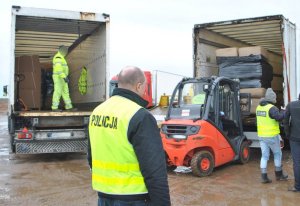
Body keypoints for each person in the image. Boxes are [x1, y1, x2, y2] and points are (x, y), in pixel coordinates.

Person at [88, 66, 171, 206]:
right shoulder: (140, 116)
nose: (145, 91)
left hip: (104, 197)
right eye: (145, 87)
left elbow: (91, 156)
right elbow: (154, 171)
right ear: (139, 86)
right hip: (134, 198)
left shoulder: (97, 112)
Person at [256, 88, 288, 183]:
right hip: (271, 135)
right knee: (277, 154)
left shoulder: (258, 107)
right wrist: (283, 111)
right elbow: (279, 118)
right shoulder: (272, 108)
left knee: (264, 156)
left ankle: (264, 176)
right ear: (272, 98)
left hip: (261, 136)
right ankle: (279, 175)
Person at [283, 93, 300, 192]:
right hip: (293, 137)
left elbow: (285, 121)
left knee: (297, 163)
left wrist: (287, 134)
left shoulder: (291, 105)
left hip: (294, 137)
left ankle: (297, 187)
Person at [51, 45, 75, 111]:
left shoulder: (61, 57)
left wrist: (64, 77)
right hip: (59, 78)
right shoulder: (58, 57)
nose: (66, 51)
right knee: (58, 92)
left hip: (62, 77)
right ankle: (54, 107)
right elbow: (58, 68)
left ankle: (69, 107)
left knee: (65, 92)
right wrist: (64, 77)